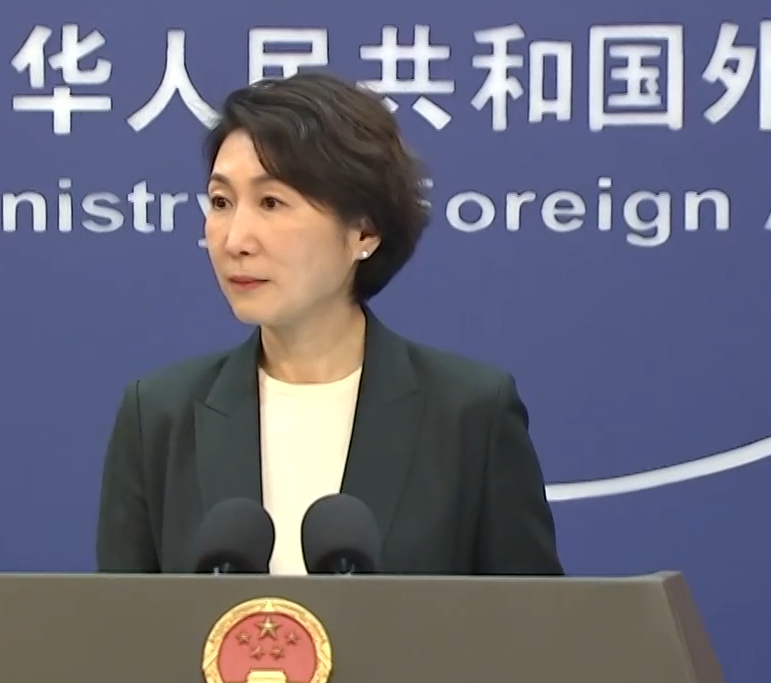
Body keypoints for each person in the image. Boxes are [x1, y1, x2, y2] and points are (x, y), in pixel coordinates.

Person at [94, 71, 564, 577]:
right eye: (221, 202)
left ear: (364, 229)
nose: (235, 240)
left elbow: (530, 620)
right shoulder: (160, 416)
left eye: (271, 203)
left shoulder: (470, 415)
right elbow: (120, 621)